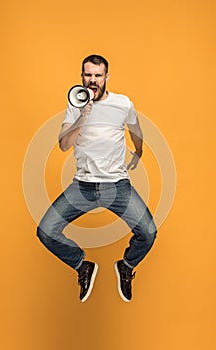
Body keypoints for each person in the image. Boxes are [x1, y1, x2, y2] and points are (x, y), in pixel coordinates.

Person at [37, 54, 157, 303]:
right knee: (46, 231)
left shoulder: (122, 104)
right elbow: (63, 145)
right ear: (81, 76)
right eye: (88, 75)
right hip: (83, 187)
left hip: (117, 186)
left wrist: (139, 151)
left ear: (106, 77)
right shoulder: (75, 103)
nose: (92, 80)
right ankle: (83, 266)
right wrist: (82, 116)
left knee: (148, 232)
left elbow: (135, 130)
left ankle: (126, 266)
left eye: (97, 75)